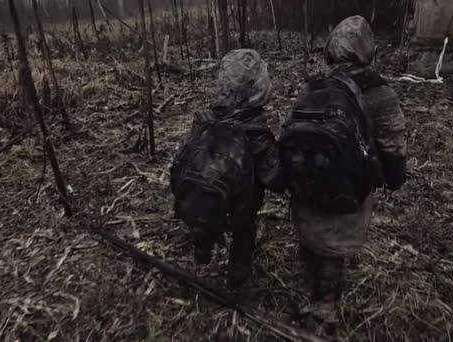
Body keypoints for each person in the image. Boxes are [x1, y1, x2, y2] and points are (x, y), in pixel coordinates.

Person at [279, 15, 406, 333]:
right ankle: (325, 310)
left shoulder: (313, 85)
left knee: (314, 237)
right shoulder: (380, 92)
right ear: (369, 51)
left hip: (306, 183)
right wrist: (394, 177)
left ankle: (313, 277)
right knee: (333, 250)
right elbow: (393, 144)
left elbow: (291, 131)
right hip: (348, 188)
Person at [170, 49, 282, 288]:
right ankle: (238, 272)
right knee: (245, 231)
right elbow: (272, 175)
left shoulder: (204, 118)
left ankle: (202, 249)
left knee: (205, 223)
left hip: (199, 198)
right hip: (240, 206)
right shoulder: (255, 130)